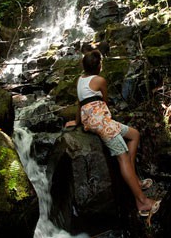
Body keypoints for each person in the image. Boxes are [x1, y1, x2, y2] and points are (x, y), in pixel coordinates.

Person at [65, 49, 161, 217]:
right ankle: (142, 202)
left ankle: (135, 181)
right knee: (122, 155)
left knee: (134, 135)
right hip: (102, 123)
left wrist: (77, 122)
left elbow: (80, 103)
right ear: (99, 66)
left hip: (92, 121)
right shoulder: (100, 80)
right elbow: (105, 101)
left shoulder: (80, 80)